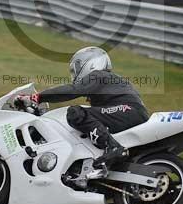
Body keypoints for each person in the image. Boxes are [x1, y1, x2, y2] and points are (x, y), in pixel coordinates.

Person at [16, 47, 149, 170]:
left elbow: (72, 90)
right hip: (129, 112)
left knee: (76, 113)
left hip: (129, 111)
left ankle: (113, 148)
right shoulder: (106, 82)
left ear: (91, 63)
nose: (75, 74)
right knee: (82, 121)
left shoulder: (98, 75)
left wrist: (37, 97)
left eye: (77, 68)